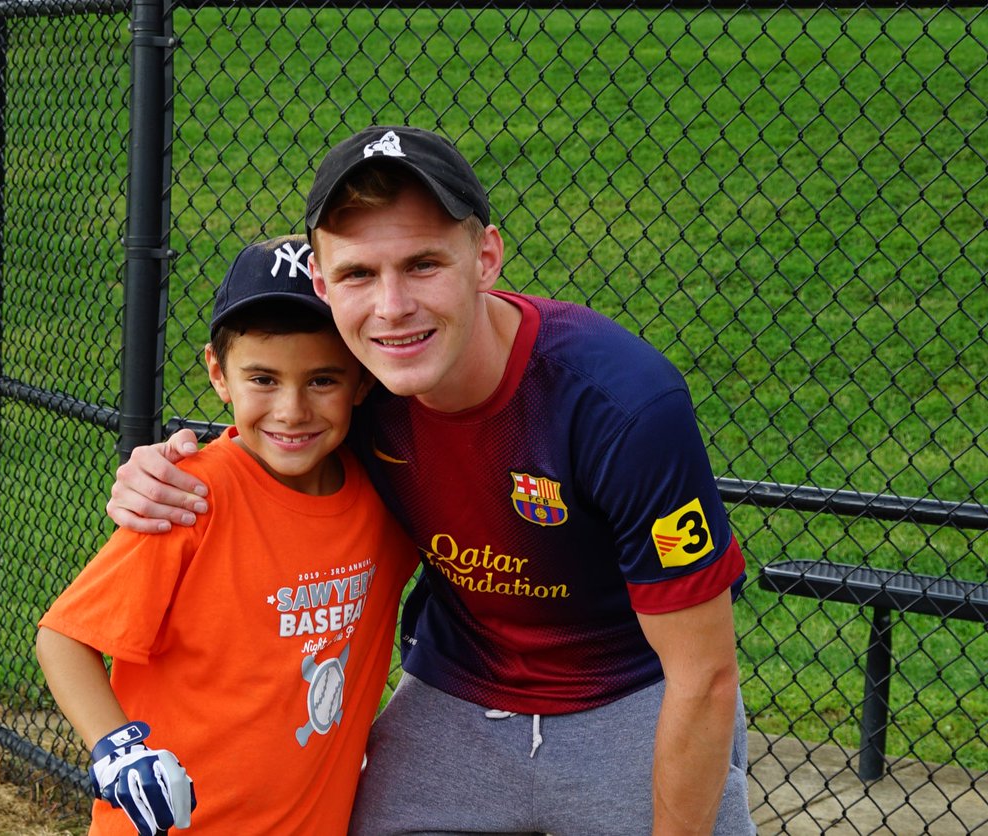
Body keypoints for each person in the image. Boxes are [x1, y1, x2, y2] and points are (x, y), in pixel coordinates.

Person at [106, 126, 756, 835]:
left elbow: (705, 676)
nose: (391, 306)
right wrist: (163, 470)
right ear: (323, 284)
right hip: (459, 691)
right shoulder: (355, 388)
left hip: (628, 698)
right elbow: (269, 437)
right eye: (358, 273)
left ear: (486, 258)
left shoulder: (620, 403)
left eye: (422, 265)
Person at [36, 234, 418, 835]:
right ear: (219, 373)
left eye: (323, 380)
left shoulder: (387, 501)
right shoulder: (190, 497)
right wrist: (119, 750)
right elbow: (63, 638)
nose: (291, 410)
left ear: (363, 381)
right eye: (262, 379)